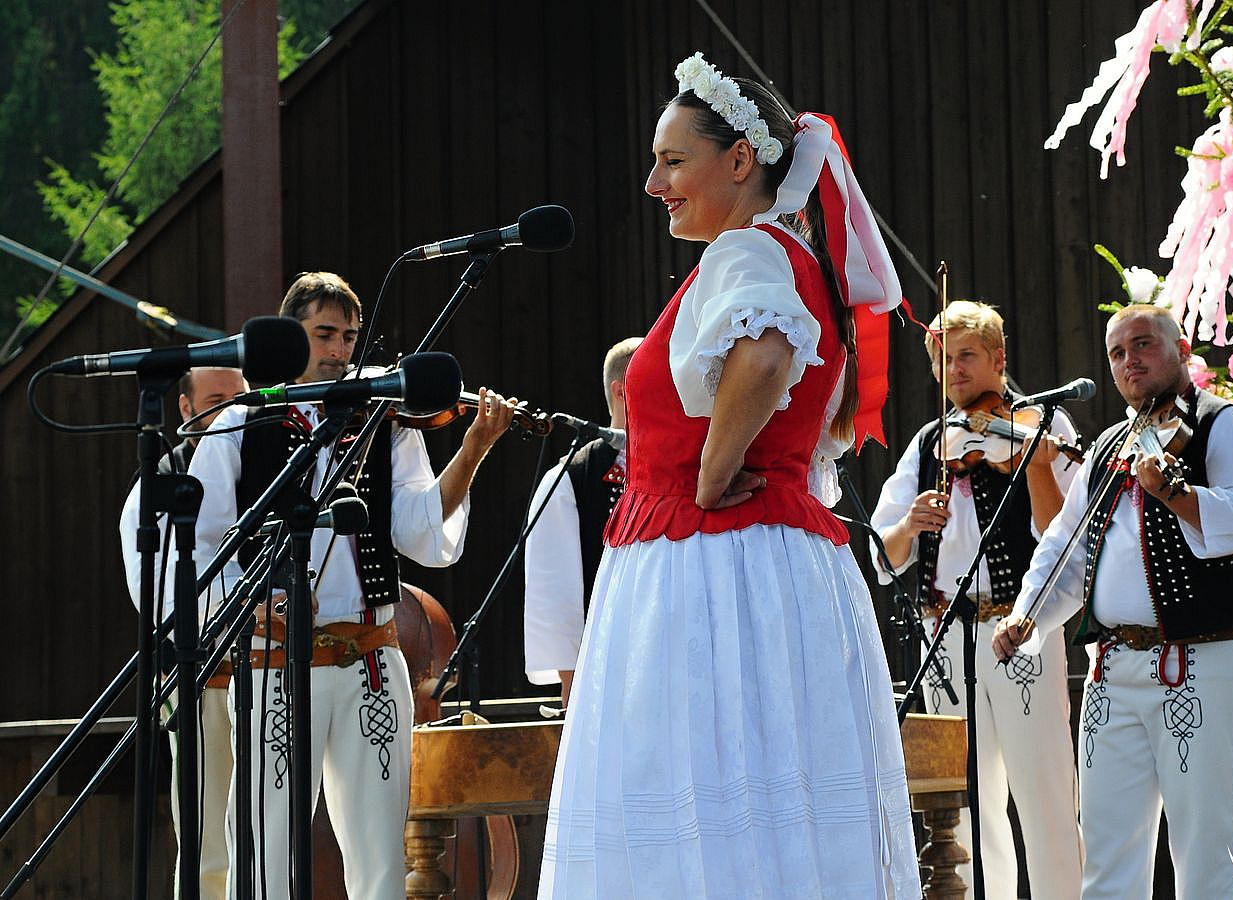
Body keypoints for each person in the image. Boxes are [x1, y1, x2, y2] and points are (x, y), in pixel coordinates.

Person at [539, 55, 920, 898]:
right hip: (764, 563)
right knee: (762, 797)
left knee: (701, 782)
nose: (654, 184)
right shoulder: (794, 257)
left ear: (741, 160)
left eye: (673, 161)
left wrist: (713, 471)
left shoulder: (748, 251)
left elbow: (769, 349)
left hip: (713, 561)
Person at [188, 272, 513, 900]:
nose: (340, 351)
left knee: (380, 854)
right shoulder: (242, 422)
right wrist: (252, 604)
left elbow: (420, 530)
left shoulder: (382, 420)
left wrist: (473, 448)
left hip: (370, 659)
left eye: (350, 337)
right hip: (275, 661)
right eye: (324, 334)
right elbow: (203, 546)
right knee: (266, 849)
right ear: (291, 337)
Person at [993, 304, 1233, 900]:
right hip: (1114, 669)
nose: (1129, 361)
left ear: (1182, 349)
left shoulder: (1222, 424)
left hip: (1204, 664)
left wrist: (1176, 494)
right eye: (1117, 353)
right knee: (1106, 855)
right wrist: (1026, 614)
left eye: (1142, 344)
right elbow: (1064, 545)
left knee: (1207, 854)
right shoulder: (1107, 447)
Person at [870, 299, 1083, 899]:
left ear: (998, 358)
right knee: (964, 801)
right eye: (943, 359)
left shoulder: (1042, 426)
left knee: (1042, 790)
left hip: (1019, 629)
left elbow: (1065, 534)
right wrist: (910, 525)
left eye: (966, 355)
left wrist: (1035, 464)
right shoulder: (928, 444)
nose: (955, 369)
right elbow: (884, 556)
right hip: (944, 633)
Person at [119, 366, 247, 900]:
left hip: (271, 673)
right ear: (185, 409)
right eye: (216, 401)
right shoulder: (158, 484)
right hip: (202, 677)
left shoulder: (268, 468)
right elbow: (159, 598)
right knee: (207, 840)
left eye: (240, 400)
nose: (232, 413)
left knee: (266, 834)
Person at [523, 336, 641, 708]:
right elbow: (555, 597)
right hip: (605, 668)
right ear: (621, 391)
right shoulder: (570, 479)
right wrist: (573, 689)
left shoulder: (693, 465)